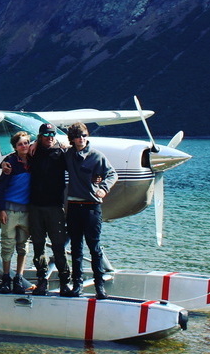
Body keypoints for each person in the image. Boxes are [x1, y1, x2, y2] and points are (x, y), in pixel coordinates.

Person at [64, 122, 117, 299]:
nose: (82, 138)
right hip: (73, 207)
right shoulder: (68, 155)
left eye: (84, 135)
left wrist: (104, 188)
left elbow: (112, 174)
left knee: (94, 248)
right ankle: (77, 285)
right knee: (76, 248)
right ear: (72, 138)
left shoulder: (96, 156)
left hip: (91, 207)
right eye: (78, 135)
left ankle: (99, 287)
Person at [27, 123, 72, 296]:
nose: (50, 137)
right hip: (35, 207)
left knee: (59, 247)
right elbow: (13, 156)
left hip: (55, 207)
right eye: (46, 134)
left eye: (52, 134)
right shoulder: (33, 151)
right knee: (38, 246)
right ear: (39, 136)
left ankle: (64, 282)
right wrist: (4, 165)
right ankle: (42, 281)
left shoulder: (61, 153)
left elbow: (80, 160)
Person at [0, 131, 33, 294]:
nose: (24, 146)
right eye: (20, 144)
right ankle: (5, 277)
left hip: (27, 211)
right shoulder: (10, 163)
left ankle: (19, 277)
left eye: (26, 143)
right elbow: (1, 188)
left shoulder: (34, 160)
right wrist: (1, 209)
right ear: (15, 148)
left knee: (23, 246)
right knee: (7, 245)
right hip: (10, 210)